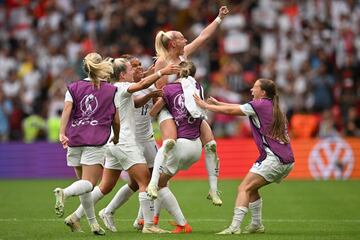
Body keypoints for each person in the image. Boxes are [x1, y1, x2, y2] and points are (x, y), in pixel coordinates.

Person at [63, 57, 179, 234]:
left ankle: (76, 216)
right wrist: (161, 72)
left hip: (111, 142)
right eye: (131, 70)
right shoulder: (123, 87)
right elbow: (138, 86)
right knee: (145, 180)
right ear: (123, 74)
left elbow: (134, 101)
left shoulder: (111, 89)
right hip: (123, 141)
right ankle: (148, 225)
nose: (134, 72)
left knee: (106, 186)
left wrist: (149, 95)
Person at [147, 6, 229, 205]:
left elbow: (203, 37)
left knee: (210, 145)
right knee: (169, 144)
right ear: (173, 43)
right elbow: (160, 93)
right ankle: (153, 182)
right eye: (183, 38)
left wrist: (219, 18)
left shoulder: (184, 55)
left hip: (189, 108)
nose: (186, 40)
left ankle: (213, 189)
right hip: (168, 109)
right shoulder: (162, 64)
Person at [193, 78, 295, 234]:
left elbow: (233, 111)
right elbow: (239, 107)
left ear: (263, 92)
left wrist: (206, 106)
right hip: (286, 159)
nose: (251, 90)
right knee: (252, 189)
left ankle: (234, 227)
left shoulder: (260, 105)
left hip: (274, 158)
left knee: (244, 188)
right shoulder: (271, 106)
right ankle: (256, 224)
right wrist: (218, 104)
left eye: (255, 87)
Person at [54, 52, 119, 235]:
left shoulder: (73, 87)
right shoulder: (111, 90)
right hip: (95, 140)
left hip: (74, 139)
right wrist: (117, 136)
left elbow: (66, 110)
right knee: (89, 184)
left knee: (84, 187)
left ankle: (92, 225)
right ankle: (64, 193)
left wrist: (62, 133)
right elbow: (116, 120)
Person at [148, 61, 205, 233]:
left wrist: (162, 105)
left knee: (158, 183)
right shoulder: (199, 87)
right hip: (196, 146)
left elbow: (152, 112)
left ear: (177, 73)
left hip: (181, 144)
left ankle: (182, 223)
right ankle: (155, 217)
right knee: (164, 181)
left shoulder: (169, 89)